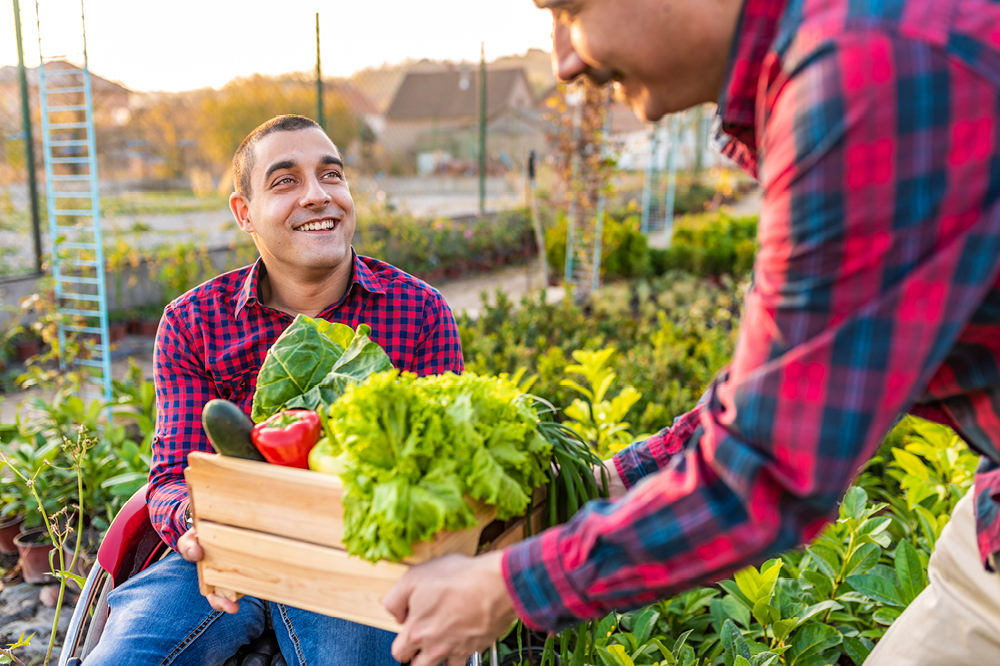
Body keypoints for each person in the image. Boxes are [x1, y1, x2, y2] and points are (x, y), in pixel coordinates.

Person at [383, 0, 1000, 664]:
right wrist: (604, 483)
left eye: (569, 9)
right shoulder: (838, 52)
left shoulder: (865, 74)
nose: (563, 61)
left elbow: (766, 473)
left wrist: (505, 589)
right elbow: (784, 387)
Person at [85, 114, 464, 666]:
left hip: (356, 555)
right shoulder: (193, 322)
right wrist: (195, 523)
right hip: (224, 548)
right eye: (285, 181)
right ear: (244, 213)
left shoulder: (418, 311)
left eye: (331, 176)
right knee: (125, 656)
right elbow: (169, 479)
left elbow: (444, 475)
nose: (318, 196)